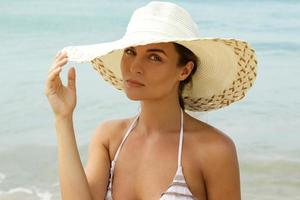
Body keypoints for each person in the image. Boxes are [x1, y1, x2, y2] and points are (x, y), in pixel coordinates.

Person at [45, 1, 257, 200]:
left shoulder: (214, 149)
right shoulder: (110, 139)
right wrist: (63, 117)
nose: (134, 66)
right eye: (130, 52)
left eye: (154, 57)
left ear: (184, 70)